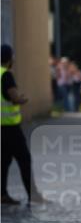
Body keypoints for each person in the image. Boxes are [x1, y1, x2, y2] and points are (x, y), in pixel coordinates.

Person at [1, 44, 42, 206]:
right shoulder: (6, 75)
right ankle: (33, 195)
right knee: (24, 159)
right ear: (9, 58)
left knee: (3, 161)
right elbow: (14, 97)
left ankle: (2, 194)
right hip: (10, 127)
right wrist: (23, 99)